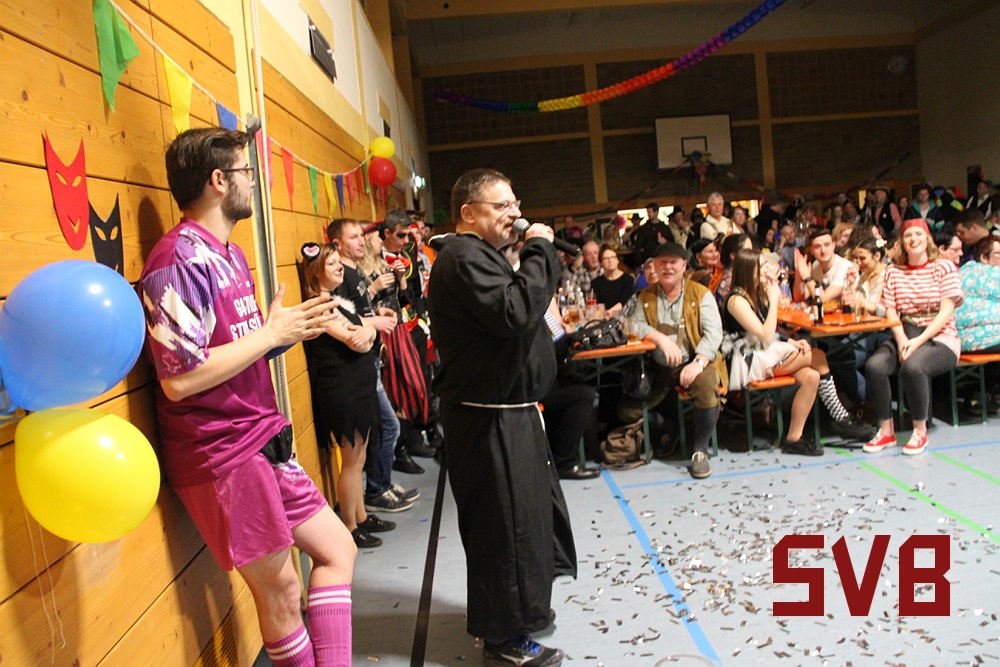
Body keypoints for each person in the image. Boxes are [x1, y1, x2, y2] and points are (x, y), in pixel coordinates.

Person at [138, 128, 355, 666]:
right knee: (282, 592)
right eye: (246, 173)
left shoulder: (230, 253)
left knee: (338, 550)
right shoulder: (176, 260)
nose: (254, 183)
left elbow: (236, 349)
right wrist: (268, 335)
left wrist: (280, 333)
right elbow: (179, 378)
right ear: (218, 181)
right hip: (223, 453)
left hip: (261, 438)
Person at [427, 168, 576, 667]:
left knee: (526, 520)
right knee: (504, 529)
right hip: (489, 422)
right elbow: (514, 311)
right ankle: (504, 640)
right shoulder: (463, 257)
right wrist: (540, 250)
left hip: (511, 413)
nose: (515, 214)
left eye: (516, 204)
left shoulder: (481, 255)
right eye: (502, 206)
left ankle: (522, 611)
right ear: (468, 213)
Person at [301, 243, 390, 548]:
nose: (340, 267)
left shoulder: (338, 302)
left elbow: (367, 330)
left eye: (339, 262)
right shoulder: (318, 307)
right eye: (332, 264)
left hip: (357, 386)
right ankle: (349, 526)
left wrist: (370, 331)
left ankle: (361, 516)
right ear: (316, 272)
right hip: (342, 390)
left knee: (360, 456)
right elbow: (356, 340)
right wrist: (369, 333)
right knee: (351, 460)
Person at [326, 218, 416, 514]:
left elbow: (358, 312)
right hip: (351, 370)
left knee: (370, 441)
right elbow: (347, 324)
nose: (362, 241)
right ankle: (374, 494)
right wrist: (373, 323)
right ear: (337, 245)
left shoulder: (353, 273)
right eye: (354, 237)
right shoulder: (339, 281)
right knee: (382, 431)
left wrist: (375, 314)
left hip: (368, 362)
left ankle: (372, 499)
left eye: (361, 236)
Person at [620, 242, 726, 479]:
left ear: (684, 266)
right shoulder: (646, 296)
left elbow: (714, 333)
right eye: (662, 262)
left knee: (707, 385)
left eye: (673, 262)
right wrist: (659, 338)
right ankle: (670, 431)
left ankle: (700, 450)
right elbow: (635, 325)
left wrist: (698, 363)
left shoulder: (700, 294)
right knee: (626, 410)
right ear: (655, 266)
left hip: (693, 363)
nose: (667, 267)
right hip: (655, 368)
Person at [863, 218, 964, 456]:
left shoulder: (943, 267)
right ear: (902, 242)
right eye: (908, 235)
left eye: (919, 234)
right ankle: (886, 431)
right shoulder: (894, 271)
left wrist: (917, 341)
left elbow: (946, 312)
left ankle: (920, 431)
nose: (913, 239)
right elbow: (891, 310)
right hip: (906, 333)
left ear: (927, 239)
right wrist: (901, 340)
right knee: (874, 366)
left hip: (940, 336)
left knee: (913, 367)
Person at [591, 244, 633, 315]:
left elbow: (624, 302)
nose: (610, 261)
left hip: (623, 316)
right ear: (601, 263)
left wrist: (609, 312)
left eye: (613, 257)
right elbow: (597, 305)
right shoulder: (596, 282)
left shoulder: (627, 279)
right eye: (606, 258)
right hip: (603, 317)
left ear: (617, 260)